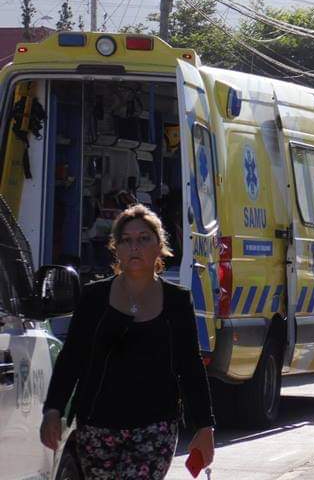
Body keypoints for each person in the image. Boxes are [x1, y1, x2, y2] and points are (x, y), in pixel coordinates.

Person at [40, 204, 215, 479]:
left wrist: (205, 427)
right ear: (116, 249)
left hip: (155, 427)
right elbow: (71, 358)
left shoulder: (177, 302)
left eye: (144, 239)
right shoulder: (94, 298)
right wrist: (53, 409)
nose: (135, 247)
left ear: (159, 247)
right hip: (97, 425)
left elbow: (190, 367)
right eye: (126, 240)